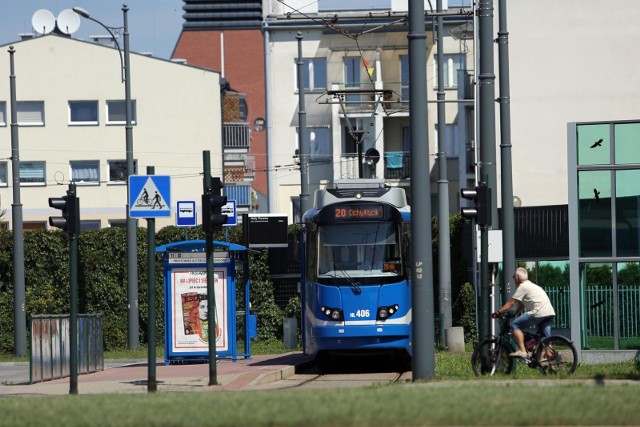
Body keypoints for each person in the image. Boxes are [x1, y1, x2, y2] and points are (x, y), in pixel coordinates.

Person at [491, 267, 556, 358]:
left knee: (515, 325)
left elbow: (511, 302)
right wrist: (515, 313)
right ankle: (552, 365)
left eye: (514, 277)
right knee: (545, 340)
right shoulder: (533, 285)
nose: (514, 279)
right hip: (549, 312)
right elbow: (522, 304)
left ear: (517, 278)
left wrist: (498, 313)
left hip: (538, 312)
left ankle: (522, 351)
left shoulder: (522, 286)